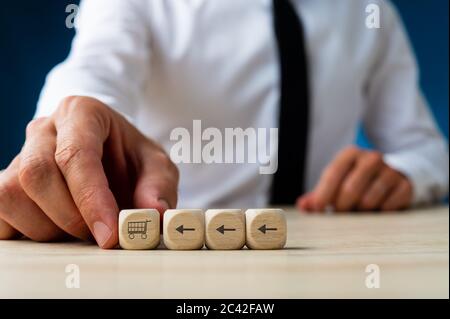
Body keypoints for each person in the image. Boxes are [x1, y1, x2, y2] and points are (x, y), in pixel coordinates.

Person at [0, 0, 447, 248]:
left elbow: (426, 150)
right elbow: (94, 68)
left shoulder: (369, 12)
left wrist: (405, 174)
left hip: (321, 251)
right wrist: (71, 117)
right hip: (174, 252)